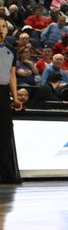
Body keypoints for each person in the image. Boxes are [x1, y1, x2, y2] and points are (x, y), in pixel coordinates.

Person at [0, 17, 22, 183]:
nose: (1, 29)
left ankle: (6, 173)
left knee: (5, 132)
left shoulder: (11, 51)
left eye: (3, 26)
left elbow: (12, 75)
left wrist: (15, 98)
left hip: (3, 93)